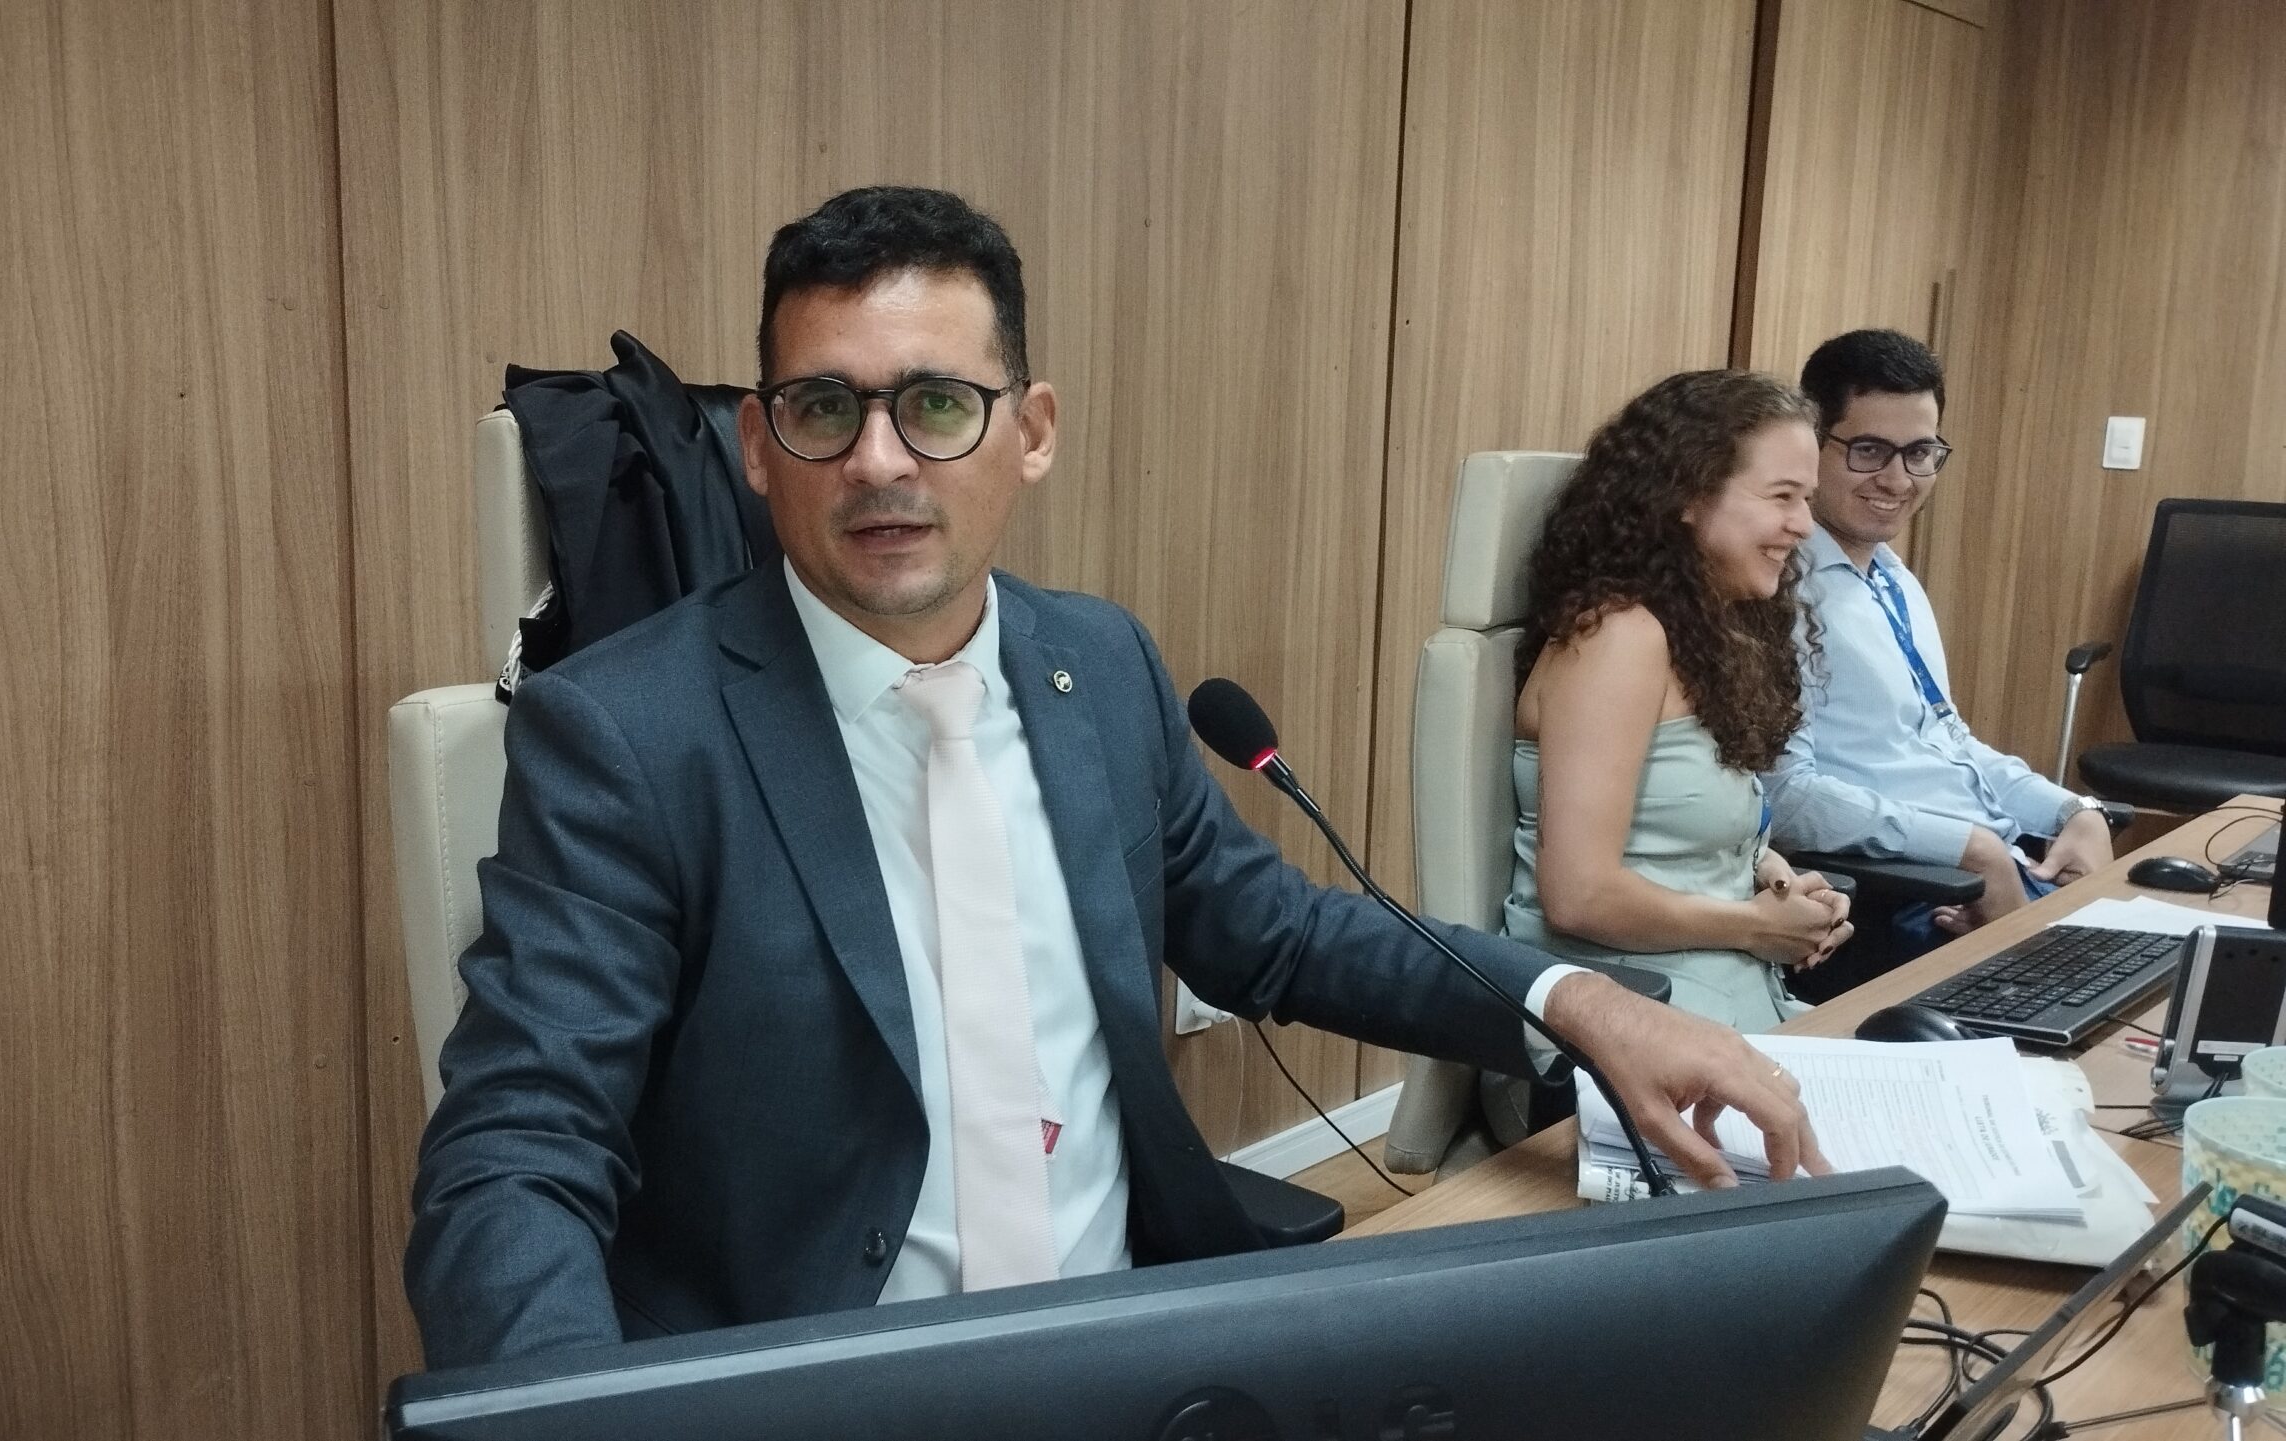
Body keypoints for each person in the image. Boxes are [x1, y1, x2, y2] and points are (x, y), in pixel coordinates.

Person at [404, 186, 1825, 1368]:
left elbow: (1272, 932)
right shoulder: (628, 734)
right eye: (825, 407)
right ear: (761, 450)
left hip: (1131, 1348)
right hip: (825, 1377)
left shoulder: (1098, 662)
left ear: (1032, 431)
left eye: (939, 403)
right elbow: (517, 1151)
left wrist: (1574, 1001)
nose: (881, 461)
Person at [1503, 370, 1854, 1031]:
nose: (1805, 524)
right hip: (1617, 1025)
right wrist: (1755, 926)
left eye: (1807, 499)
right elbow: (1578, 896)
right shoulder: (1615, 637)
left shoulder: (1704, 633)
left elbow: (1677, 830)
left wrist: (1773, 880)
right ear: (1689, 494)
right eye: (1782, 496)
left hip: (1715, 1004)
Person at [1764, 330, 2111, 959]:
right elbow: (1782, 796)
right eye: (1869, 450)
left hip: (1998, 863)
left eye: (1919, 452)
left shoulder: (1891, 576)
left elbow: (1947, 740)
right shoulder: (1778, 589)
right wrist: (1970, 849)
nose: (1898, 479)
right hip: (1920, 893)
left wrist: (2075, 810)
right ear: (1812, 443)